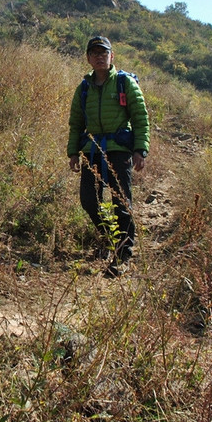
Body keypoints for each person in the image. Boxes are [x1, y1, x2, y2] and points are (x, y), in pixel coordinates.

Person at [67, 36, 150, 277]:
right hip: (92, 150)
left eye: (104, 53)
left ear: (112, 56)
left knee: (121, 202)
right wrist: (73, 152)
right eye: (95, 53)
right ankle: (110, 238)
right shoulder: (83, 89)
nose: (100, 56)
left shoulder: (125, 83)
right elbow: (76, 123)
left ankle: (123, 254)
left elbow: (140, 119)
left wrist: (140, 150)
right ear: (88, 59)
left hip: (119, 150)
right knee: (88, 200)